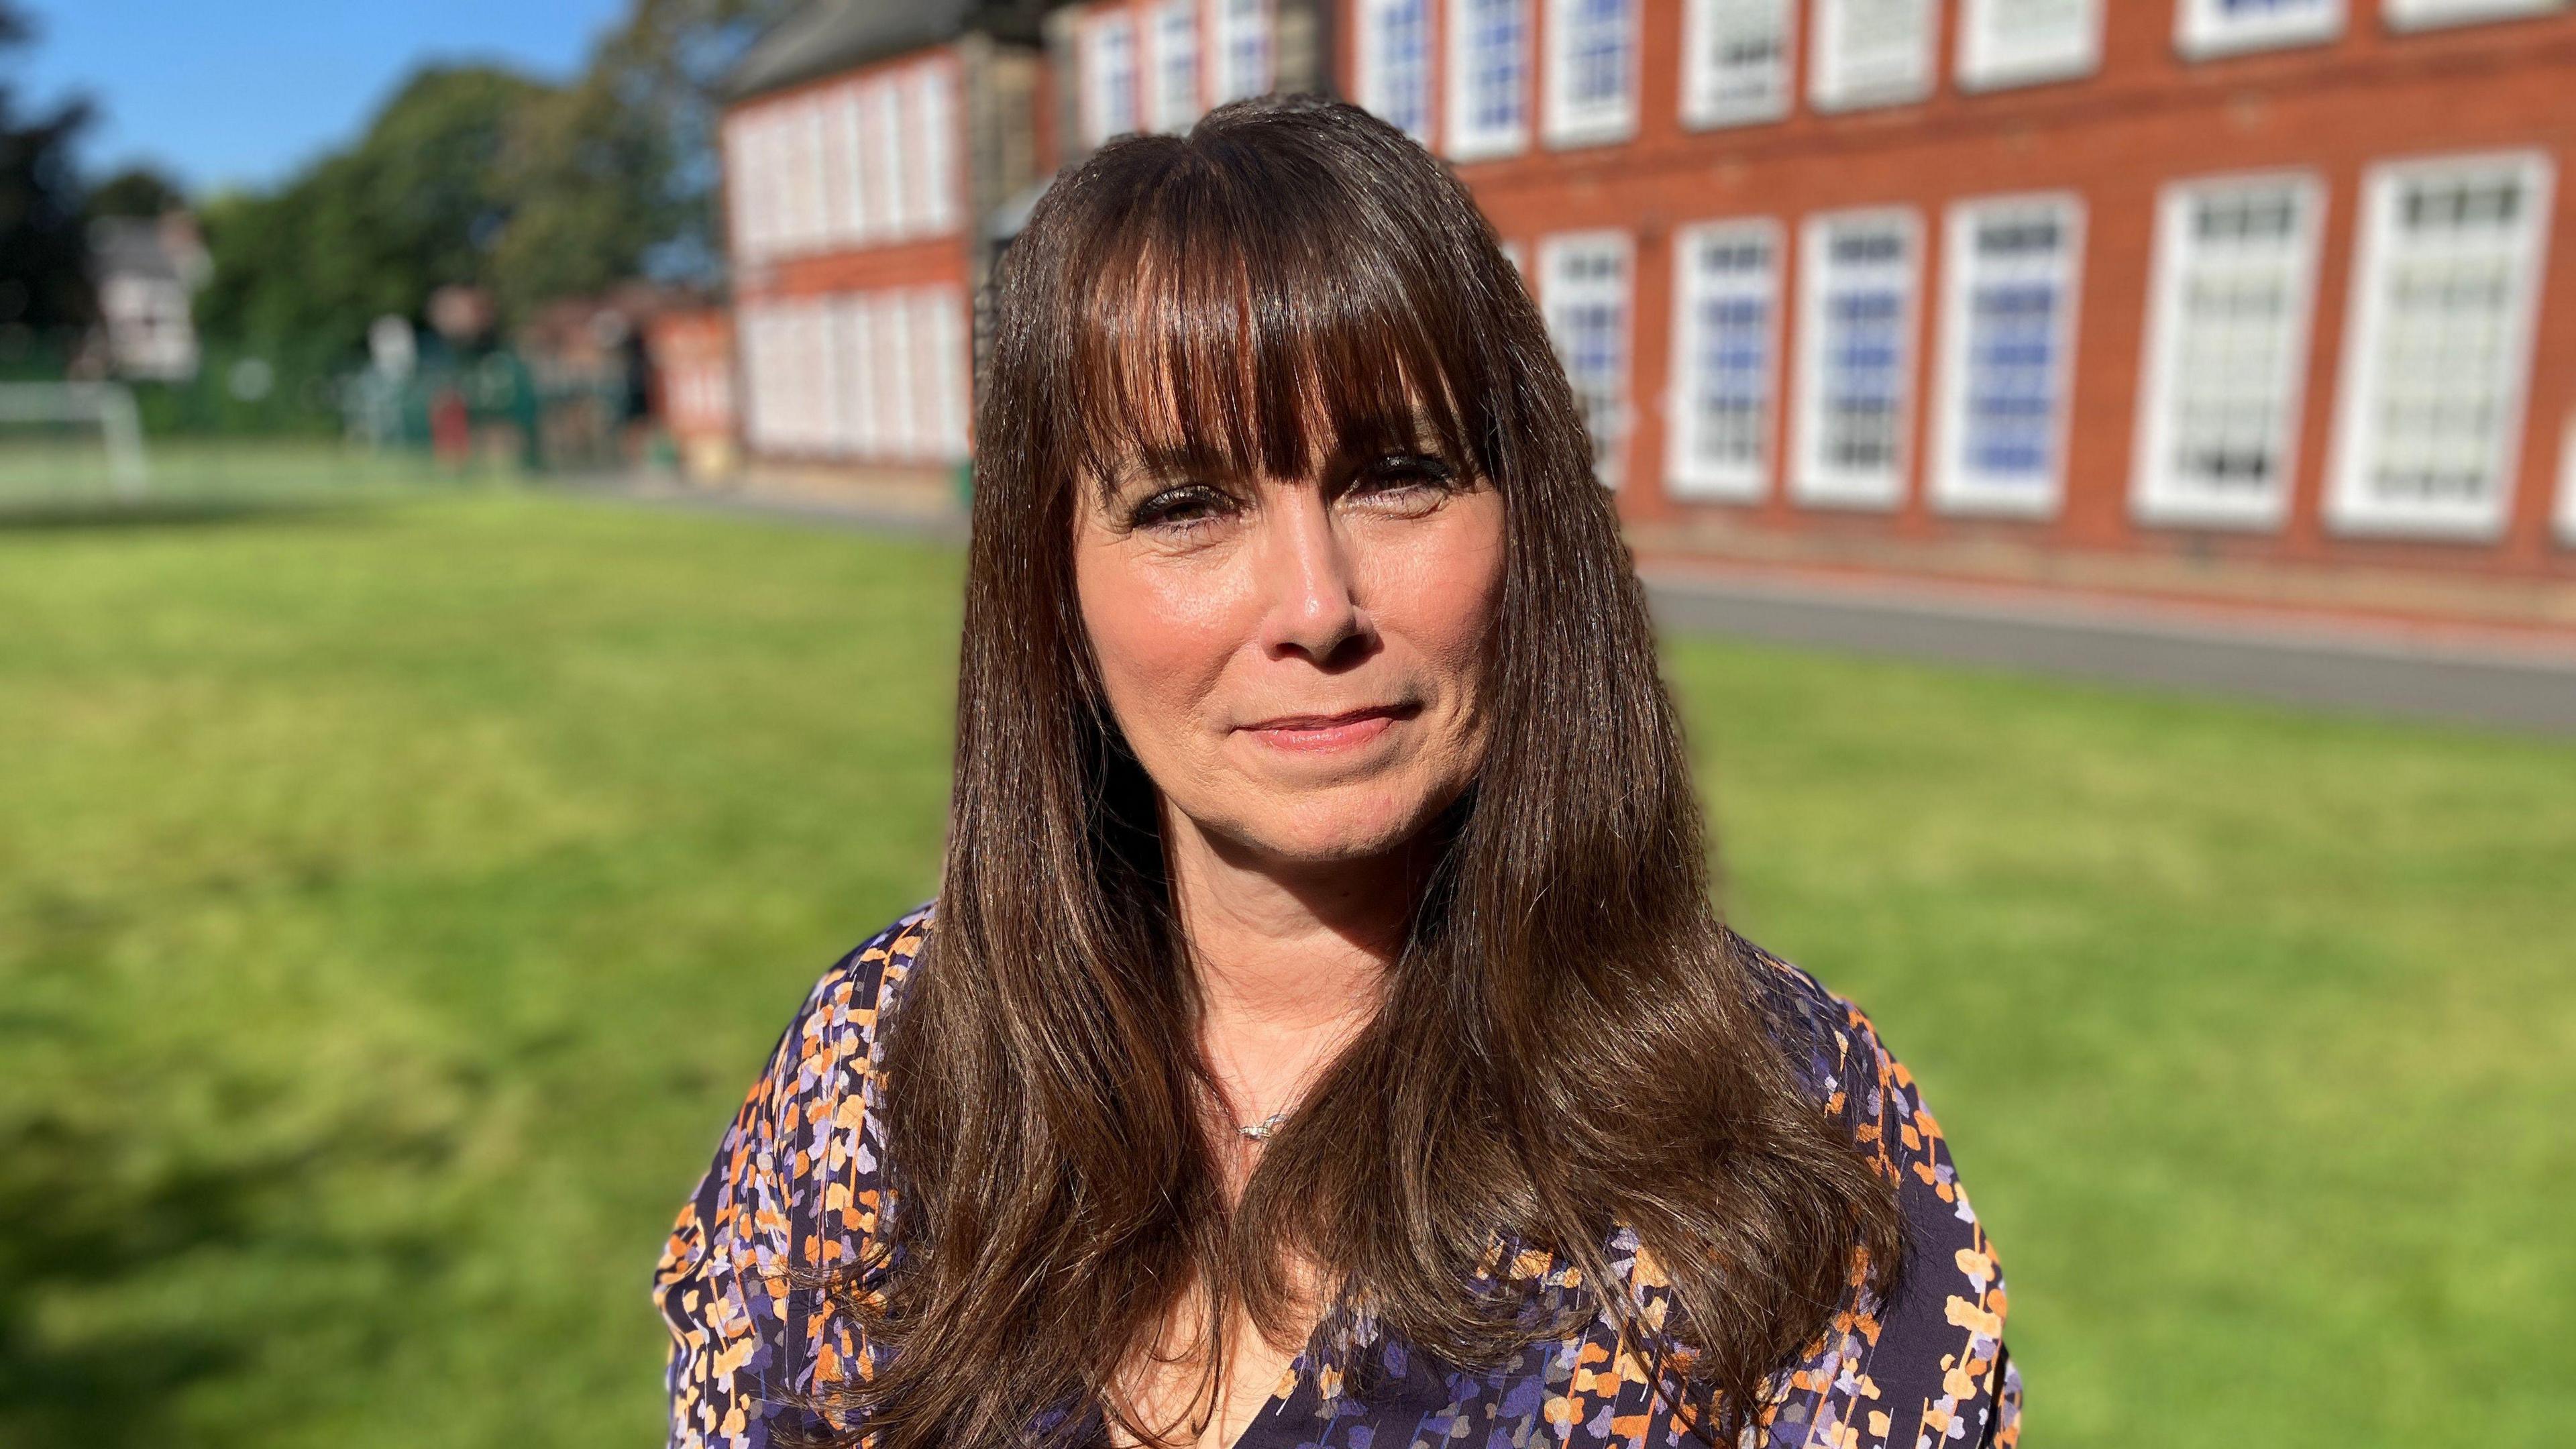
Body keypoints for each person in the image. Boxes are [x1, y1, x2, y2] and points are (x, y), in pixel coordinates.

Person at [654, 95, 2019, 1449]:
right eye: (1187, 505)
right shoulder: (874, 1083)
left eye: (1398, 475)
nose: (1317, 604)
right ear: (1051, 594)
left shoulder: (1775, 1121)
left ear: (1526, 526)